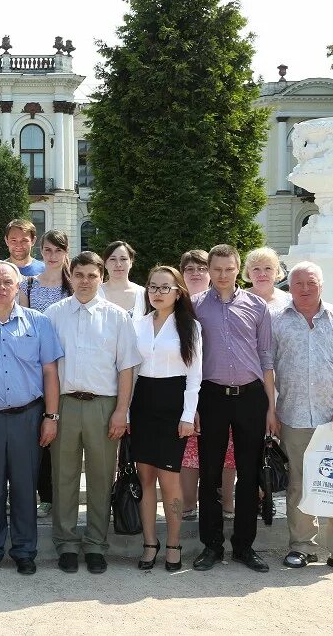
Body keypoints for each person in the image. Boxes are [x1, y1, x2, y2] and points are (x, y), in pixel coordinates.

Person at [0, 262, 63, 577]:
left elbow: (50, 372)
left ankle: (24, 551)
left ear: (18, 286)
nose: (2, 287)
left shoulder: (39, 323)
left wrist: (51, 416)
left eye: (8, 281)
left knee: (24, 486)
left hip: (28, 417)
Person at [272, 261, 333, 578]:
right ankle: (301, 547)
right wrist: (270, 411)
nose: (303, 288)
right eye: (297, 282)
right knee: (300, 486)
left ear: (321, 285)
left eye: (310, 282)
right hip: (294, 416)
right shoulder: (277, 322)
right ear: (290, 285)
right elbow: (266, 370)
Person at [44, 252, 140, 574]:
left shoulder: (117, 317)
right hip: (66, 404)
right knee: (64, 477)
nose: (85, 281)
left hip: (104, 406)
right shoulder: (53, 314)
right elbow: (48, 369)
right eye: (79, 275)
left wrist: (121, 412)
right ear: (70, 277)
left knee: (101, 478)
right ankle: (67, 543)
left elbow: (127, 368)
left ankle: (97, 544)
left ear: (101, 277)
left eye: (91, 275)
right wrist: (51, 414)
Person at [191, 244, 277, 574]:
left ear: (238, 268)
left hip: (251, 397)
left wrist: (271, 406)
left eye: (229, 269)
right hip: (211, 397)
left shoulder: (257, 306)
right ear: (209, 271)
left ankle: (244, 546)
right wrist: (193, 406)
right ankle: (211, 545)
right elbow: (191, 359)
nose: (223, 275)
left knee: (249, 472)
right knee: (210, 473)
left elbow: (266, 358)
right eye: (217, 269)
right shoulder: (196, 306)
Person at [131, 266, 202, 572]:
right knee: (145, 478)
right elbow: (130, 371)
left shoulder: (191, 327)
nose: (157, 293)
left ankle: (173, 543)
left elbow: (195, 377)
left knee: (169, 482)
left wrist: (188, 415)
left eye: (165, 288)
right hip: (143, 403)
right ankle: (150, 543)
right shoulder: (138, 324)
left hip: (174, 405)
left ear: (178, 292)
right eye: (153, 287)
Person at [17, 229, 72, 520]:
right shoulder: (27, 285)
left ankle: (54, 495)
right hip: (36, 370)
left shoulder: (73, 285)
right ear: (41, 251)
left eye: (58, 250)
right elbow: (24, 329)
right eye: (48, 250)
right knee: (36, 436)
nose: (52, 256)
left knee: (59, 436)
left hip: (68, 368)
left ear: (66, 252)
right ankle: (37, 494)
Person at [179, 249, 236, 522]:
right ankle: (190, 505)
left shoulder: (223, 302)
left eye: (201, 268)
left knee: (227, 451)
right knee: (190, 450)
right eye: (189, 269)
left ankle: (225, 503)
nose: (196, 273)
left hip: (220, 387)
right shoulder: (182, 304)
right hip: (188, 388)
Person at [99, 240, 146, 319]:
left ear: (131, 262)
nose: (118, 264)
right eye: (113, 259)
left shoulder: (143, 294)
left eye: (123, 259)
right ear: (105, 264)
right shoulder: (95, 294)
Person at [243, 246, 292, 312]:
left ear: (276, 271)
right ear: (248, 272)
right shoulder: (237, 300)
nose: (262, 274)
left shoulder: (289, 301)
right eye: (256, 269)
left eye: (268, 268)